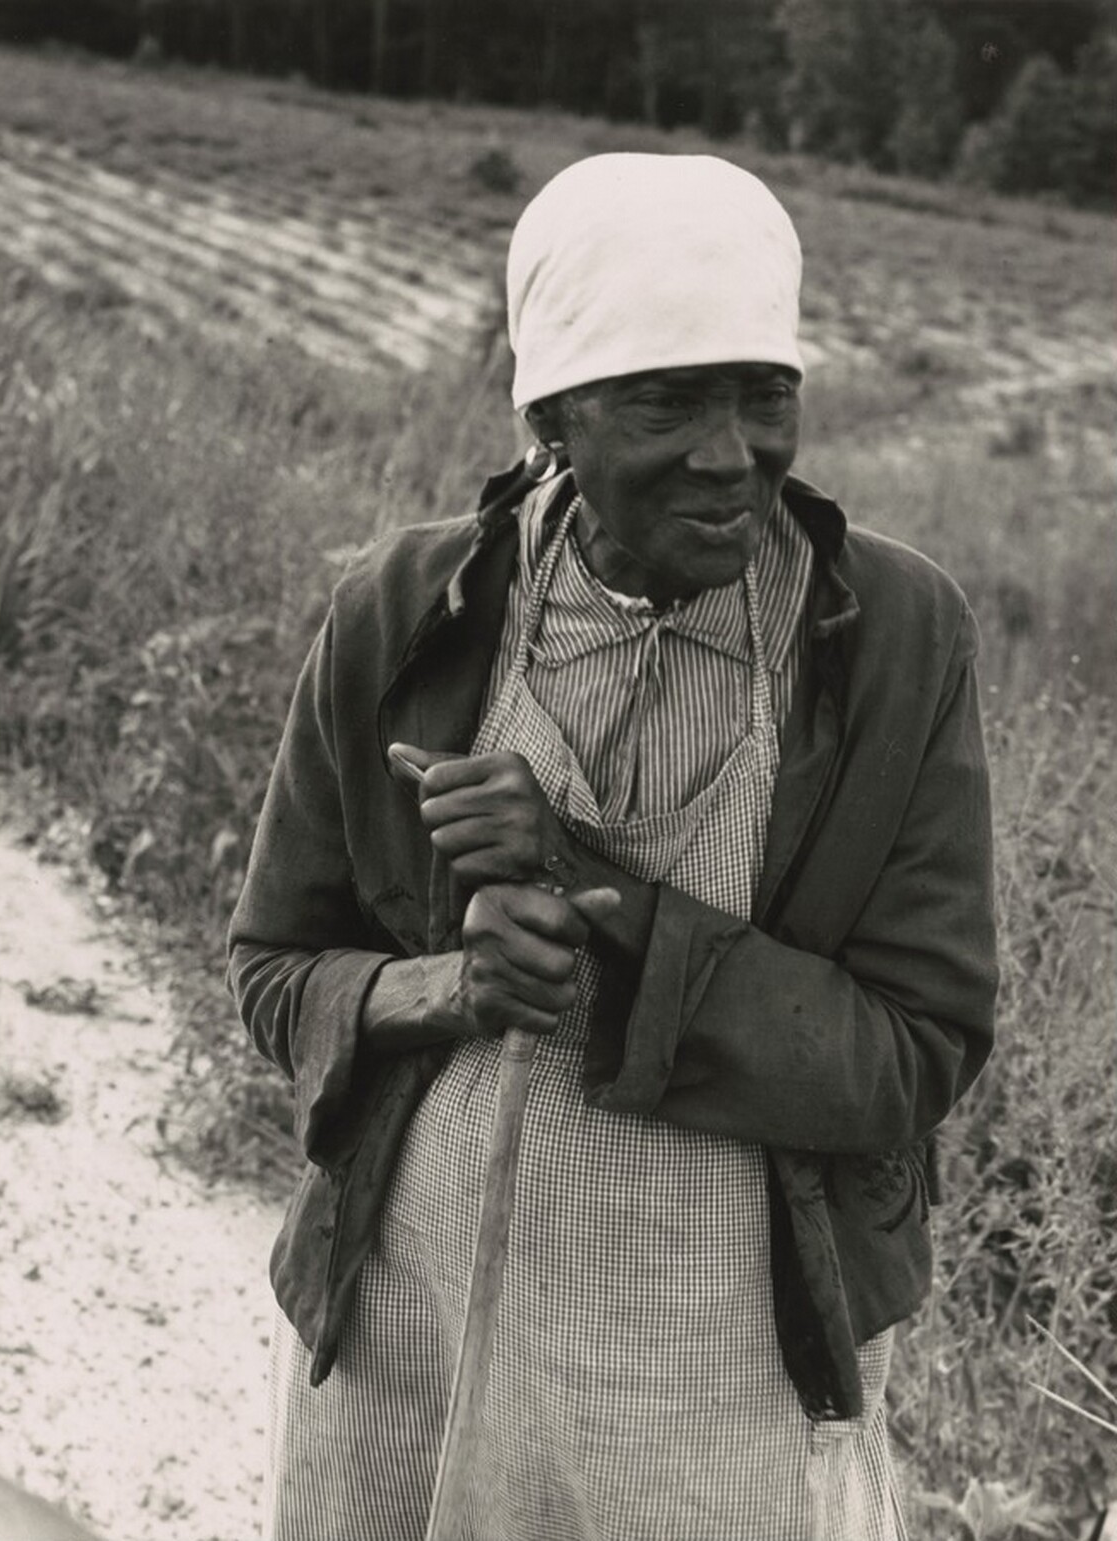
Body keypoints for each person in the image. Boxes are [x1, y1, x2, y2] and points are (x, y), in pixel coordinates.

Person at [228, 153, 998, 1541]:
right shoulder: (407, 611)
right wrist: (442, 990)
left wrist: (593, 896)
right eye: (665, 399)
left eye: (764, 394)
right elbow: (279, 966)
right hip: (412, 1331)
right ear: (552, 418)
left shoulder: (891, 639)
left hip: (713, 1378)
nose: (731, 452)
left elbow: (912, 1053)